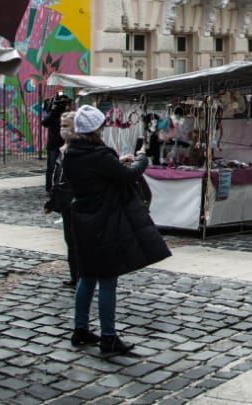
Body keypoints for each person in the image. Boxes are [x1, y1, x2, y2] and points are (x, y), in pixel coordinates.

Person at [63, 105, 171, 357]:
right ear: (96, 129)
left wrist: (115, 162)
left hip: (82, 219)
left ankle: (80, 329)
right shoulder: (98, 155)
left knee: (87, 277)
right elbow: (128, 176)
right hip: (104, 221)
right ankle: (108, 337)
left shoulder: (71, 153)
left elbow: (102, 172)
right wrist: (142, 158)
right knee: (108, 279)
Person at [43, 110, 79, 287]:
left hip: (77, 202)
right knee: (70, 240)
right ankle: (75, 275)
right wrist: (52, 200)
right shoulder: (63, 149)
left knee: (77, 241)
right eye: (61, 126)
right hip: (66, 203)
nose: (62, 129)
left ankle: (82, 276)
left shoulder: (78, 150)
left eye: (66, 126)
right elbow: (57, 177)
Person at [42, 94, 71, 192]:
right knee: (51, 167)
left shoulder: (67, 115)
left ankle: (57, 186)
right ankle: (49, 187)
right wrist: (54, 112)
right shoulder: (54, 114)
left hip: (64, 144)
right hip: (53, 144)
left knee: (62, 167)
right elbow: (44, 123)